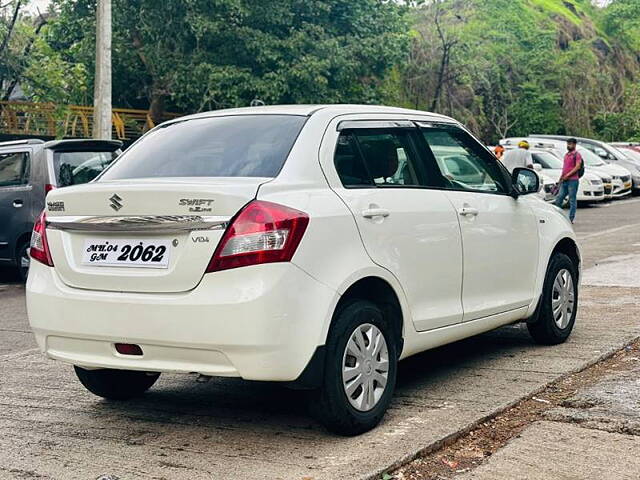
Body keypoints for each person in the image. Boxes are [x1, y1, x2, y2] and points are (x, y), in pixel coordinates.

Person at [554, 138, 582, 224]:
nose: (568, 145)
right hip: (564, 180)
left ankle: (570, 218)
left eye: (570, 144)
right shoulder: (566, 155)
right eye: (568, 144)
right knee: (559, 198)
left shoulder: (577, 155)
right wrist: (560, 179)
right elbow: (564, 168)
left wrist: (568, 175)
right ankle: (559, 216)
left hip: (573, 181)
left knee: (572, 199)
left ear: (574, 145)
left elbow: (578, 167)